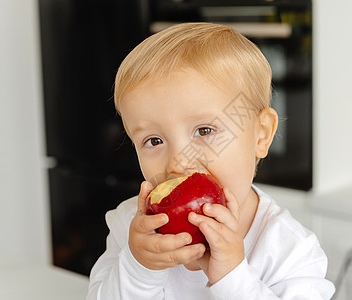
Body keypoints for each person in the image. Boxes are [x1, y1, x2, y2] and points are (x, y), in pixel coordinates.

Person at [87, 22, 335, 299]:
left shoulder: (289, 250)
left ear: (261, 135)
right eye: (154, 141)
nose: (178, 163)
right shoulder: (131, 227)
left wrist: (232, 277)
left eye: (204, 131)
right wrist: (139, 268)